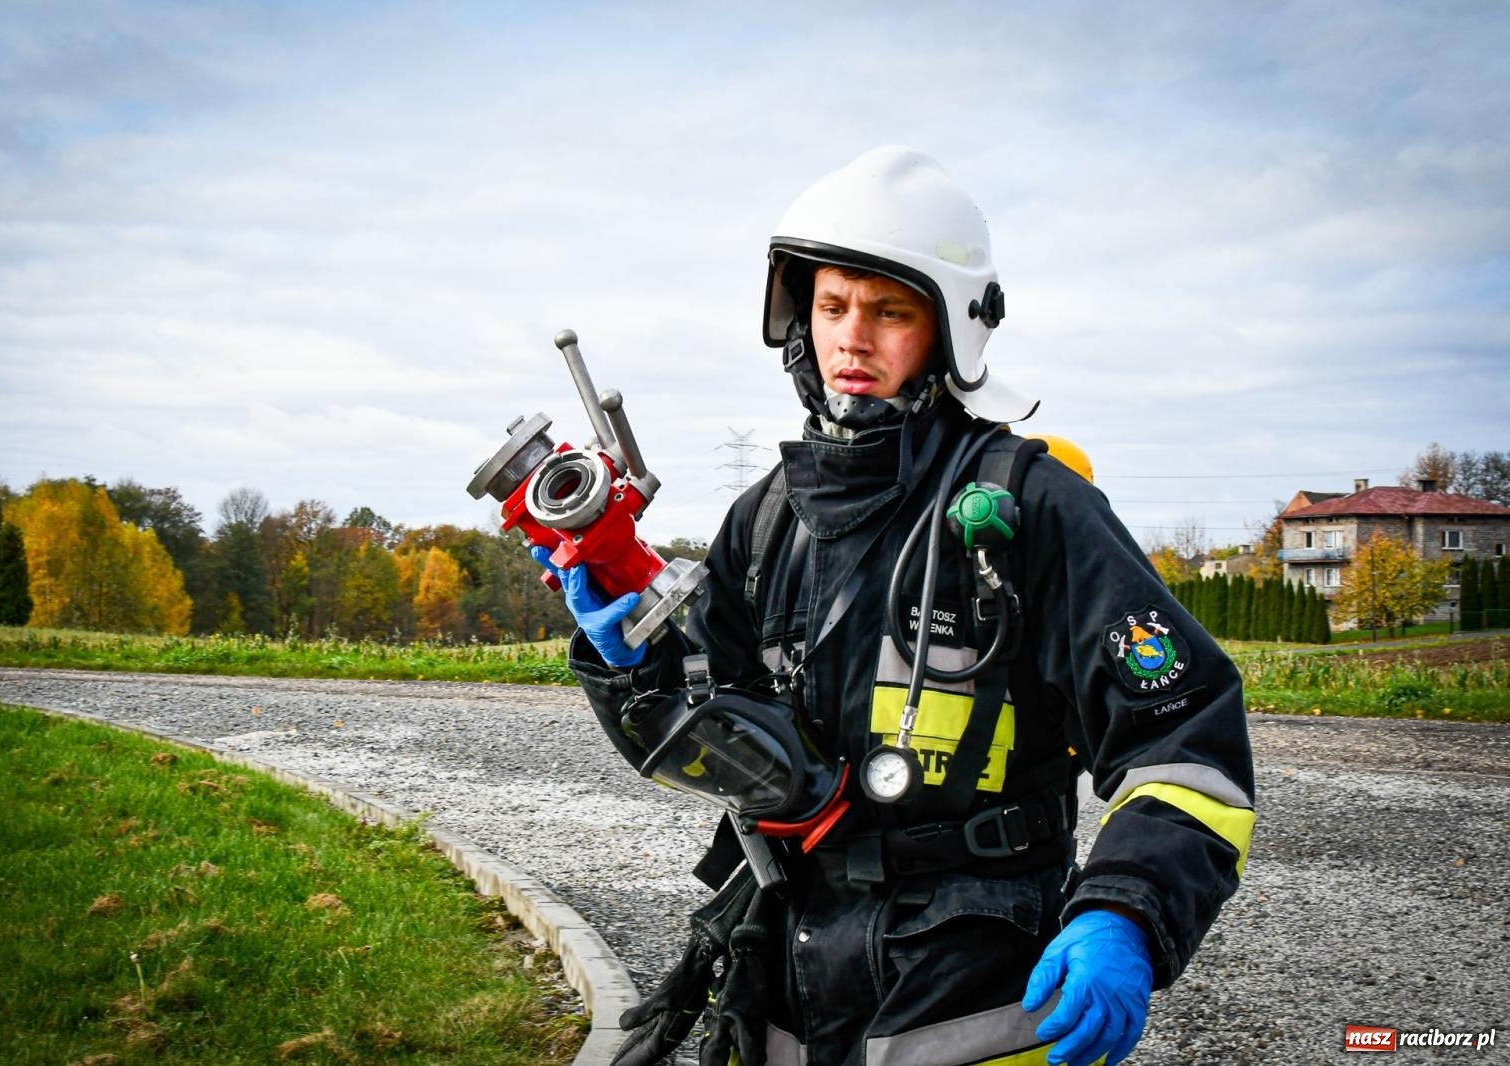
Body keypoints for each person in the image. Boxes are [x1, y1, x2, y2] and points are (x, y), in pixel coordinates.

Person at [537, 146, 1255, 1066]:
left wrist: (1125, 909)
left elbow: (1185, 739)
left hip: (975, 983)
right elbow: (704, 730)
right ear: (798, 319)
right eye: (832, 306)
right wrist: (630, 661)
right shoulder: (765, 519)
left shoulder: (1031, 507)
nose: (852, 338)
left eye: (890, 311)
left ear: (949, 331)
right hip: (790, 962)